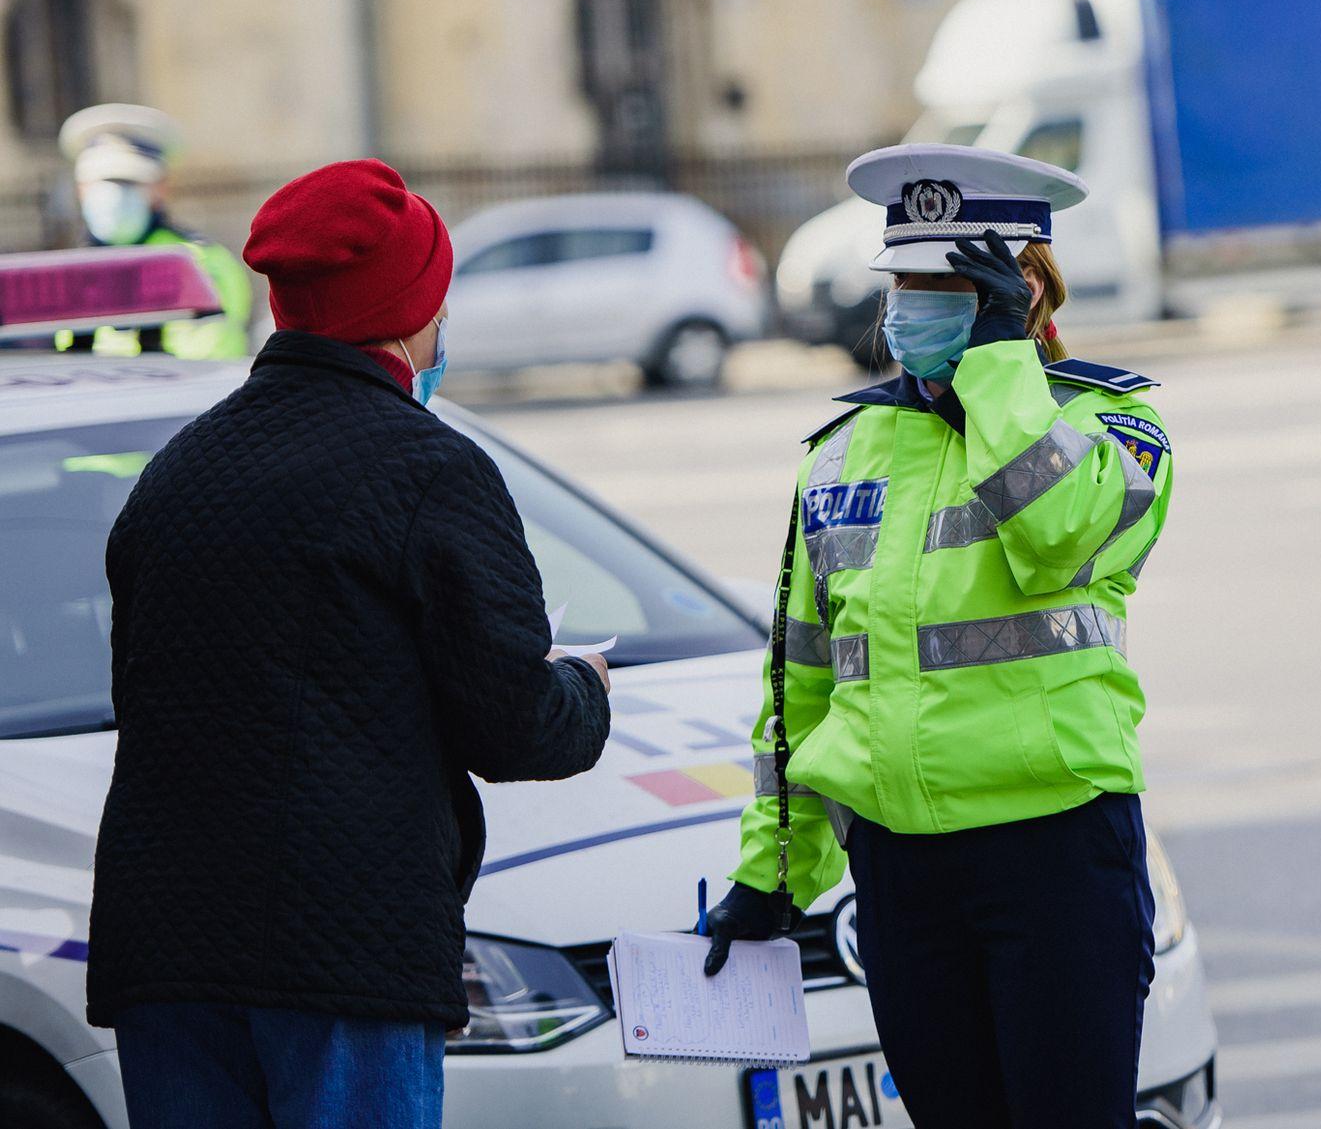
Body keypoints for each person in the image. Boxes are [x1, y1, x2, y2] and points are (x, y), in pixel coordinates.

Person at [88, 159, 613, 1129]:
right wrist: (583, 687)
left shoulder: (176, 475)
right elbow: (514, 725)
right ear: (411, 315)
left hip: (164, 951)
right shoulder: (428, 468)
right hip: (341, 958)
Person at [702, 144, 1174, 1127]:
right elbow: (800, 685)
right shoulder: (840, 454)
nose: (910, 308)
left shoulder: (1115, 429)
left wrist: (1002, 363)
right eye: (904, 281)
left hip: (1053, 857)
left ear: (1022, 291)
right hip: (904, 874)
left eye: (946, 286)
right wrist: (775, 867)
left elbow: (1051, 536)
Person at [55, 103, 253, 357]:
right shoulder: (70, 269)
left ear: (161, 188)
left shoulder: (200, 262)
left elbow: (207, 355)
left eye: (129, 182)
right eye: (102, 182)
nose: (114, 196)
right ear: (80, 189)